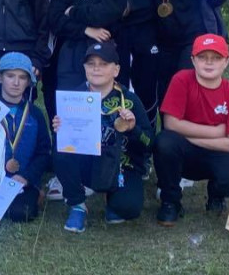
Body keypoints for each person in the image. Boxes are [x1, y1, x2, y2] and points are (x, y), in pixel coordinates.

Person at [52, 41, 154, 233]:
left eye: (103, 64)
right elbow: (64, 140)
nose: (96, 68)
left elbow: (149, 143)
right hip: (87, 164)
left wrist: (133, 129)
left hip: (121, 166)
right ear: (84, 68)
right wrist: (60, 129)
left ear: (116, 70)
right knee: (60, 148)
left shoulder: (129, 100)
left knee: (127, 208)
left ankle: (114, 197)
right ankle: (77, 204)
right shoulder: (73, 98)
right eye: (91, 64)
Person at [153, 34, 229, 226]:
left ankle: (216, 195)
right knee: (164, 142)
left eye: (216, 58)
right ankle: (171, 201)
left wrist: (193, 138)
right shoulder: (181, 80)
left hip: (217, 153)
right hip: (185, 153)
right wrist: (217, 132)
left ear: (226, 62)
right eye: (202, 57)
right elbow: (171, 124)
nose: (209, 62)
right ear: (193, 60)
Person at [0, 52, 52, 223]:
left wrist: (27, 177)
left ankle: (36, 192)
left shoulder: (35, 114)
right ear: (0, 78)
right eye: (10, 76)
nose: (16, 83)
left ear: (29, 82)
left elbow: (44, 152)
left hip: (22, 180)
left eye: (22, 77)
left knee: (21, 214)